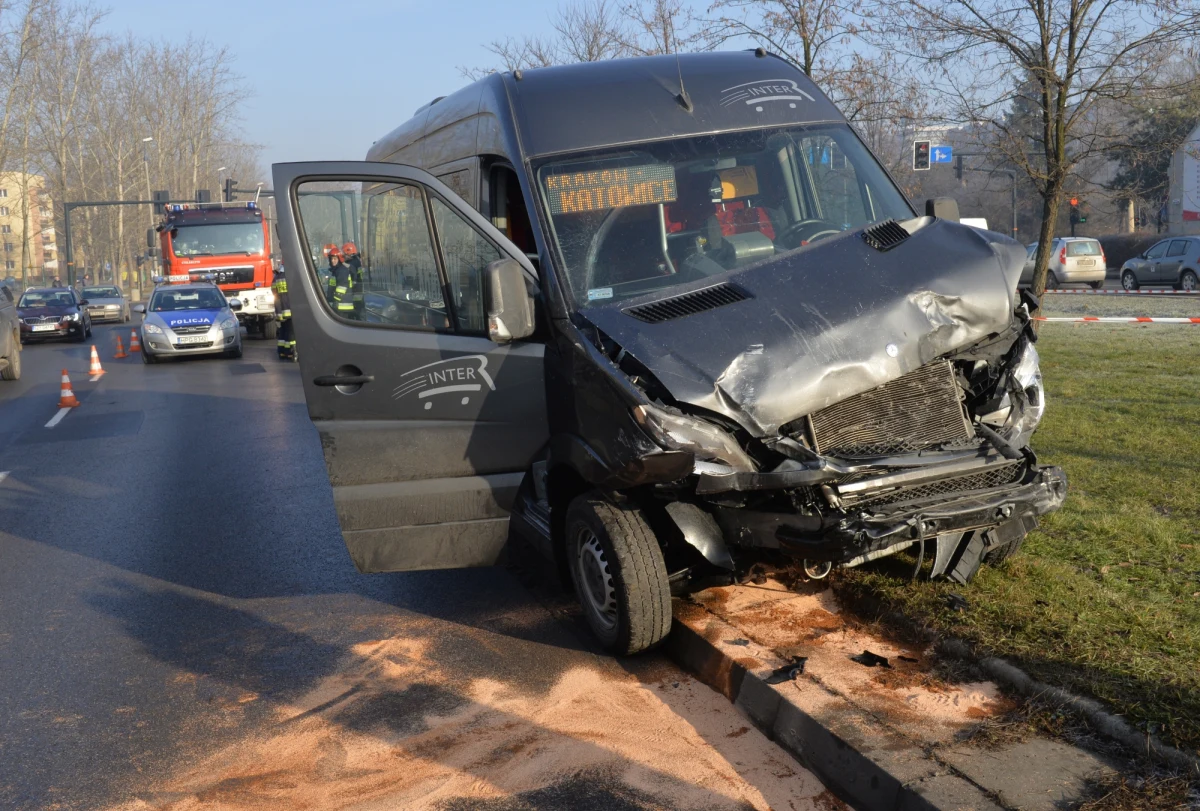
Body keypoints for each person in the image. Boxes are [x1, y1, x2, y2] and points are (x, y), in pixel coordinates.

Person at [272, 263, 295, 361]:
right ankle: (291, 352)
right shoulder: (290, 276)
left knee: (283, 332)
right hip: (290, 309)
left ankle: (281, 352)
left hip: (280, 310)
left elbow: (274, 294)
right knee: (291, 333)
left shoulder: (276, 278)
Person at [325, 245, 355, 316]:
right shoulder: (336, 271)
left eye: (335, 259)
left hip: (342, 305)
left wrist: (335, 301)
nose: (332, 261)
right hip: (340, 305)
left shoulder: (342, 270)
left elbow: (342, 287)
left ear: (339, 259)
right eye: (331, 259)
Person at [343, 242, 366, 313]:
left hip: (355, 290)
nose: (344, 256)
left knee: (356, 311)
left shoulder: (352, 263)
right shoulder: (357, 261)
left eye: (345, 254)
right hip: (358, 289)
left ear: (349, 253)